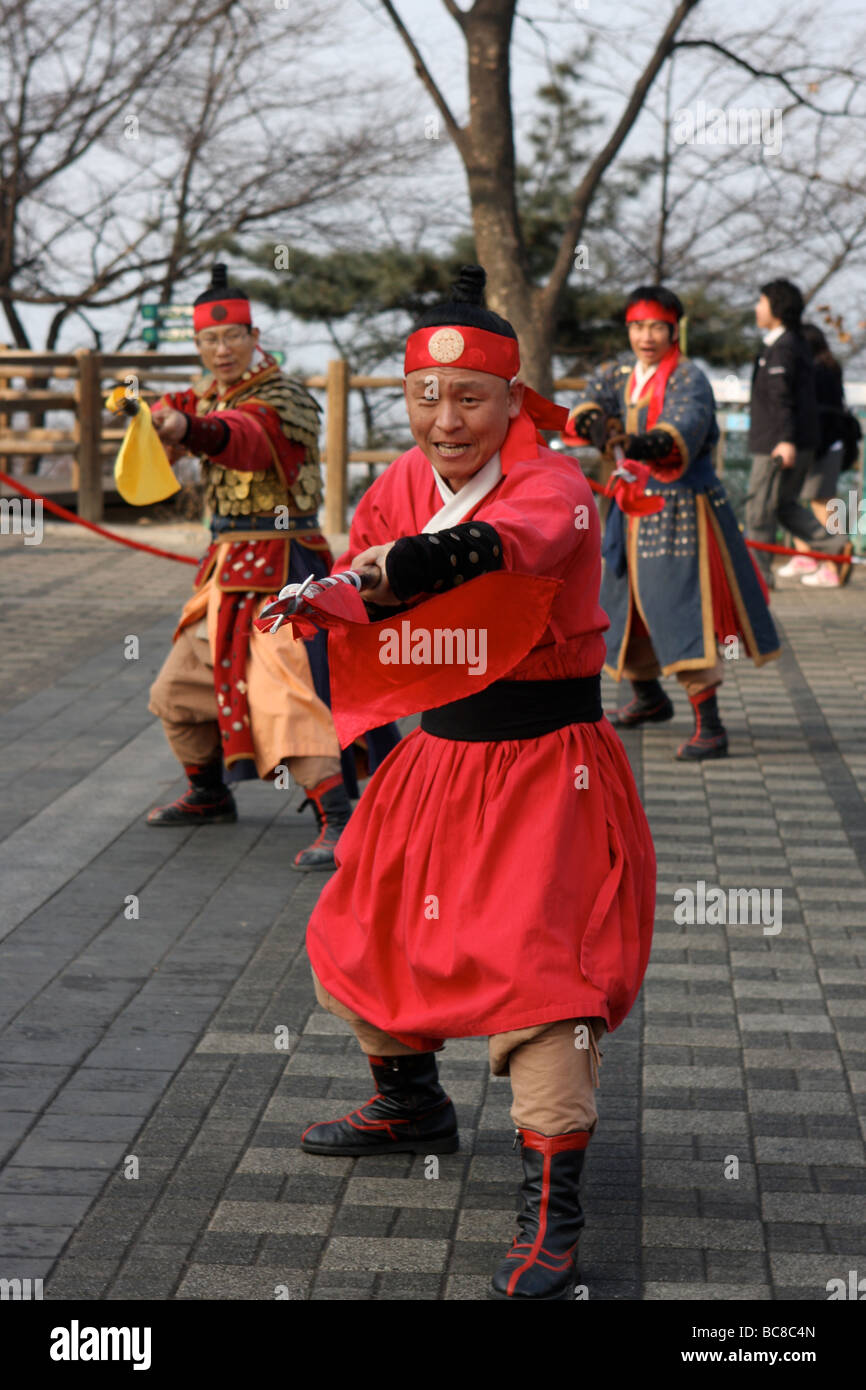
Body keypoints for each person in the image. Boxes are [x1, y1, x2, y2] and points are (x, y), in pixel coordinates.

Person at [287, 265, 656, 1301]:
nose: (444, 419)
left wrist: (405, 569)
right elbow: (365, 568)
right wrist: (319, 592)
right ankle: (408, 1103)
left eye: (468, 397)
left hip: (548, 771)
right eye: (422, 395)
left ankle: (553, 1213)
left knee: (543, 978)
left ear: (510, 398)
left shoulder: (555, 483)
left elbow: (518, 540)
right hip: (434, 761)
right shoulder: (400, 481)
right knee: (368, 923)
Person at [146, 263, 399, 868]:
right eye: (208, 340)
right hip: (225, 570)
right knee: (177, 687)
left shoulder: (282, 398)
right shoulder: (208, 392)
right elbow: (177, 408)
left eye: (232, 336)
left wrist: (188, 429)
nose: (221, 349)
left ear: (253, 335)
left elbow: (245, 438)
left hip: (283, 567)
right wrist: (146, 414)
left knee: (285, 691)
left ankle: (338, 816)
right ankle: (208, 794)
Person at [565, 285, 781, 761]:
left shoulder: (689, 378)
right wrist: (596, 423)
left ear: (674, 329)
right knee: (623, 604)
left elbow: (684, 427)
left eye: (657, 326)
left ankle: (712, 726)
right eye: (638, 326)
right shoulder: (618, 372)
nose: (646, 336)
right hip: (630, 508)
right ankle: (649, 699)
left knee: (679, 606)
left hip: (682, 510)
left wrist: (637, 445)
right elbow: (588, 401)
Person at [745, 280, 852, 590]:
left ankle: (758, 577)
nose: (757, 308)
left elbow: (782, 397)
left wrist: (785, 439)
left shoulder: (783, 348)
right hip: (794, 439)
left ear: (776, 308)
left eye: (761, 302)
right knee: (782, 506)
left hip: (778, 442)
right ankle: (835, 545)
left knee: (759, 509)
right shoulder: (794, 343)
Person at [777, 323, 849, 589]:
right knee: (804, 500)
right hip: (825, 444)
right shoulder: (828, 367)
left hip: (823, 445)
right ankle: (808, 555)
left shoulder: (817, 371)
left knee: (821, 502)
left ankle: (832, 563)